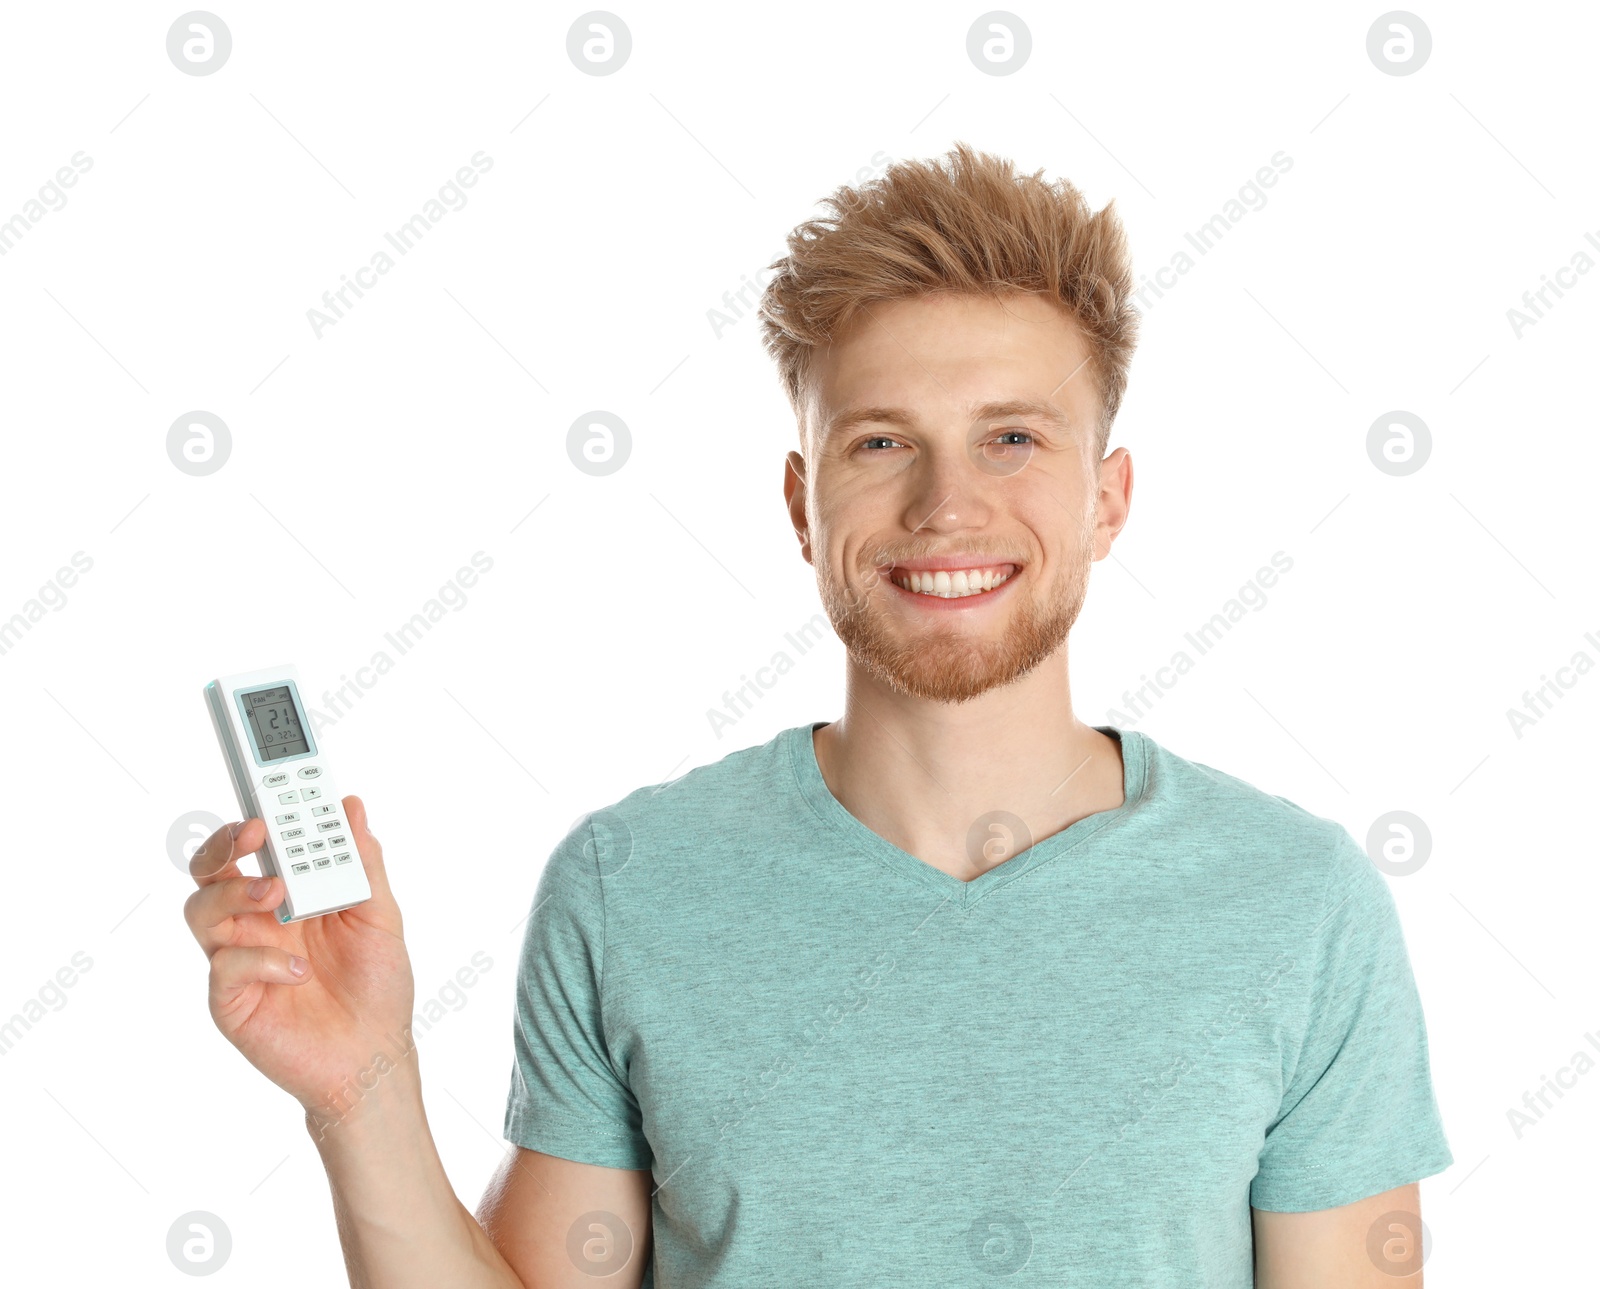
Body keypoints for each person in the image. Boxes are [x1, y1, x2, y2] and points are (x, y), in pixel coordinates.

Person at [183, 143, 1451, 1287]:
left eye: (1011, 436)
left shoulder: (1297, 901)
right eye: (881, 444)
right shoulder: (630, 885)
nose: (947, 506)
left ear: (1107, 499)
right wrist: (362, 1092)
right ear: (802, 502)